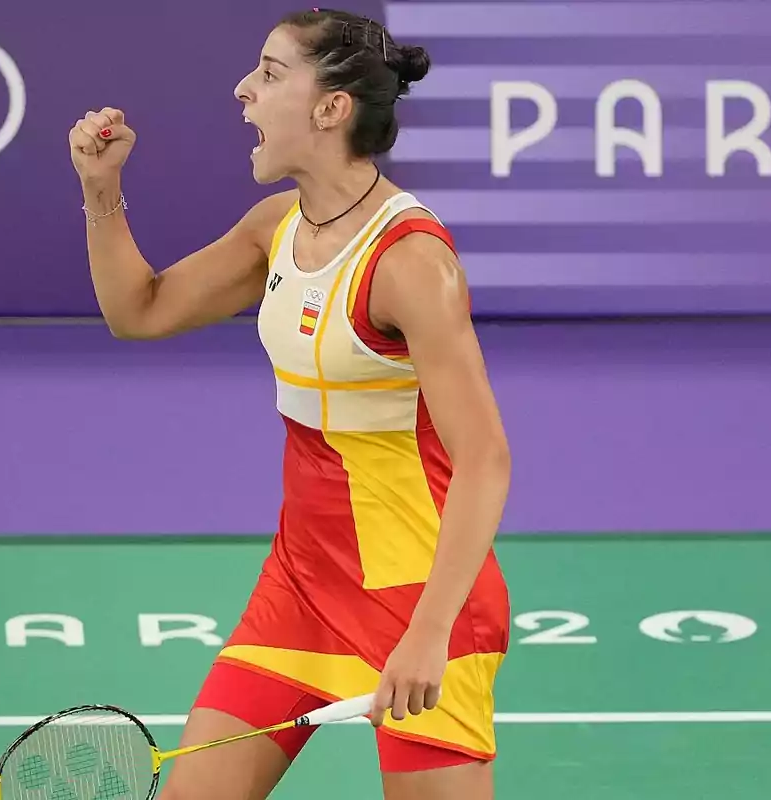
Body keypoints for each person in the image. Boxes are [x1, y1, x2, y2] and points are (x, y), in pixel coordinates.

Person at [68, 7, 511, 799]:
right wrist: (102, 192)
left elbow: (485, 459)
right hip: (300, 590)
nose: (243, 91)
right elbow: (140, 311)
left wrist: (430, 632)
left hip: (419, 598)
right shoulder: (277, 227)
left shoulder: (409, 263)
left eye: (270, 75)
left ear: (331, 108)